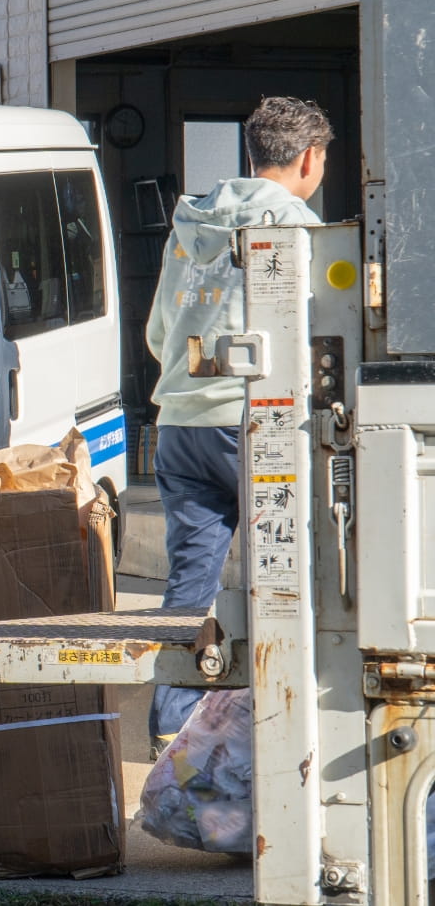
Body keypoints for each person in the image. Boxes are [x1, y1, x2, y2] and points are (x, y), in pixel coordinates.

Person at [144, 96, 331, 752]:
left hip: (181, 420)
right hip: (255, 423)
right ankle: (289, 728)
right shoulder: (294, 225)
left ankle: (173, 731)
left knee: (190, 585)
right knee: (293, 573)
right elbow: (316, 332)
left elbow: (161, 331)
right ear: (309, 158)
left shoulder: (191, 222)